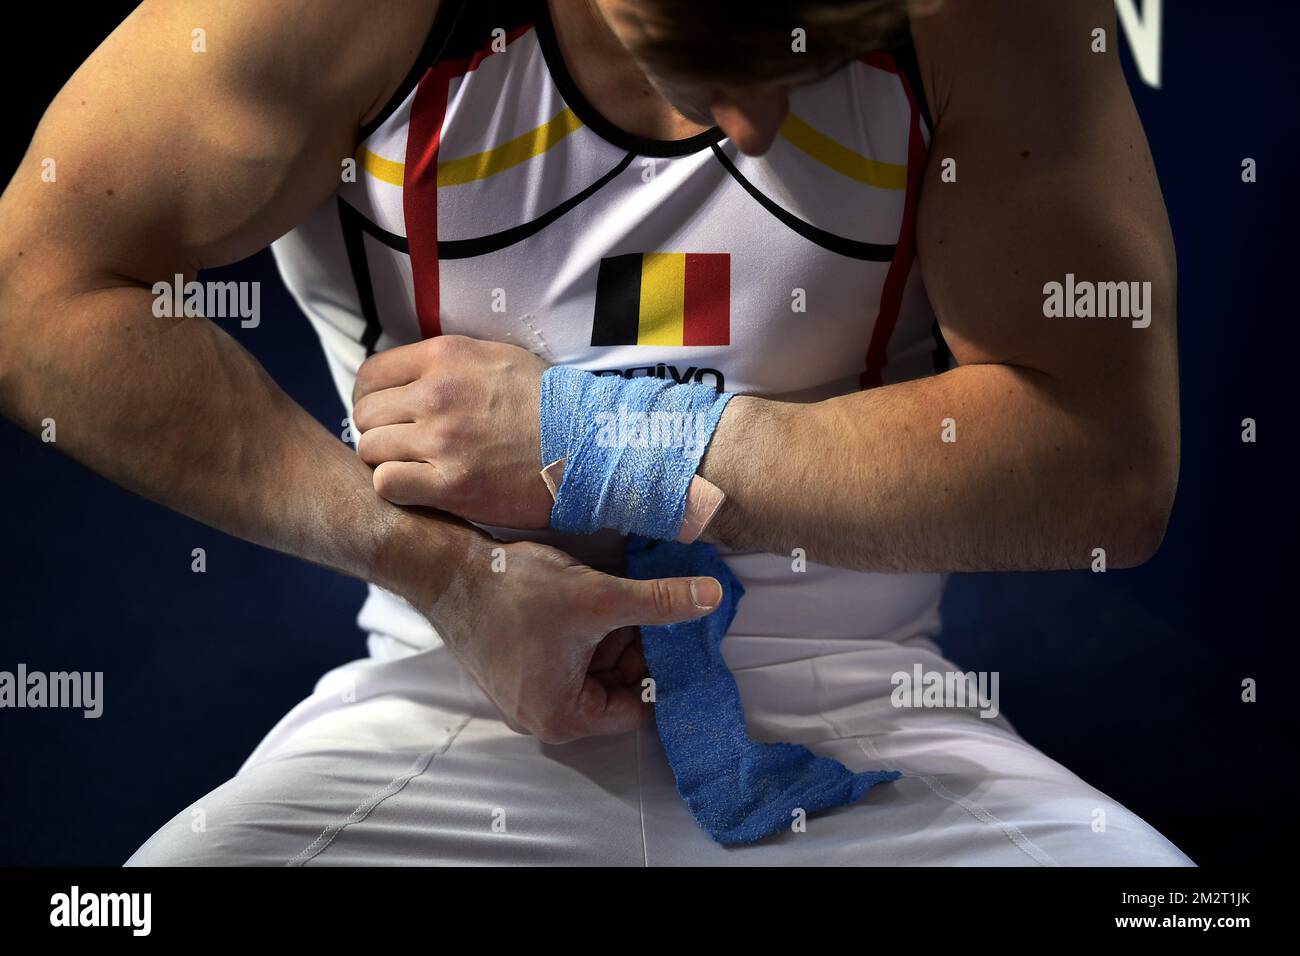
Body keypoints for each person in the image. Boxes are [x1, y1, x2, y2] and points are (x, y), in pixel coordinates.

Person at [0, 0, 1190, 864]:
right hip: (449, 698)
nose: (756, 126)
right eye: (701, 56)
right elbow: (31, 296)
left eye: (817, 51)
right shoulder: (339, 15)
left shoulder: (975, 15)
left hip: (868, 715)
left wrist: (598, 435)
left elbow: (1109, 464)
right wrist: (450, 573)